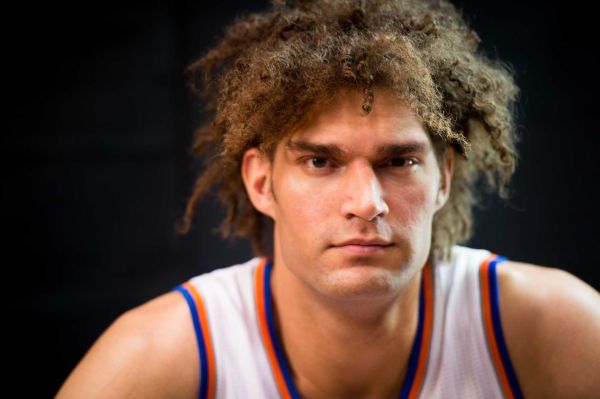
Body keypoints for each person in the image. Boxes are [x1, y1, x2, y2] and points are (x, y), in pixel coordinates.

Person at [56, 0, 600, 398]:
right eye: (321, 161)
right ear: (262, 182)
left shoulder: (549, 327)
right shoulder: (165, 355)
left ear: (443, 179)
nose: (366, 202)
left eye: (398, 161)